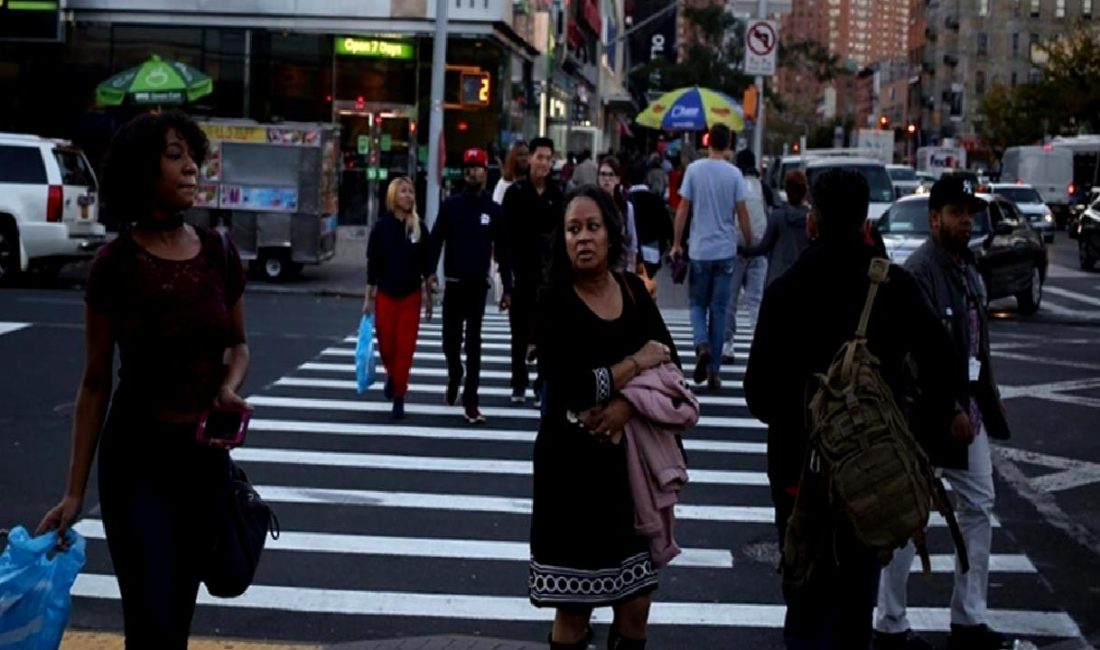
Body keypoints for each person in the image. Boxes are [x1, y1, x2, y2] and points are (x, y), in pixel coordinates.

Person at [36, 110, 251, 647]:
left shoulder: (219, 253)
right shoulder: (116, 265)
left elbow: (239, 344)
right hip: (137, 464)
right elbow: (93, 383)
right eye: (174, 156)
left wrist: (229, 386)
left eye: (192, 156)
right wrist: (73, 493)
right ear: (142, 172)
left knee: (175, 620)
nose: (191, 168)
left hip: (203, 462)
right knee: (150, 618)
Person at [744, 169, 959, 650]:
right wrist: (911, 429)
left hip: (801, 474)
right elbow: (943, 364)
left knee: (805, 603)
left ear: (813, 222)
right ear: (867, 223)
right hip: (872, 472)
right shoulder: (894, 287)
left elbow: (758, 395)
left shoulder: (784, 292)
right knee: (856, 602)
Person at [529, 185, 678, 650]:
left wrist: (626, 403)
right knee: (573, 611)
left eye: (593, 227)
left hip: (628, 474)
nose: (584, 238)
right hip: (569, 475)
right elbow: (571, 385)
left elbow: (667, 358)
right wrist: (634, 364)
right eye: (574, 229)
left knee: (636, 606)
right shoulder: (554, 300)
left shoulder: (634, 291)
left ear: (611, 235)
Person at [873, 176, 1013, 650]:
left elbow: (976, 346)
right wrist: (949, 404)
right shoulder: (918, 272)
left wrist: (981, 399)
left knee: (979, 506)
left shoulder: (968, 268)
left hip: (967, 415)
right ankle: (889, 623)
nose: (965, 221)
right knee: (907, 517)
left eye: (969, 213)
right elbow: (914, 356)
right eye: (956, 213)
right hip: (925, 416)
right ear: (935, 219)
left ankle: (969, 620)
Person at [425, 147, 513, 424]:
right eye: (468, 168)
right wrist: (430, 273)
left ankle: (471, 401)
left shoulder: (494, 210)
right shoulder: (452, 206)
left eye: (477, 168)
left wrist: (507, 289)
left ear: (486, 173)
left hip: (478, 286)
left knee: (474, 344)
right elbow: (436, 239)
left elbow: (503, 251)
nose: (472, 172)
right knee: (450, 341)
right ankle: (455, 374)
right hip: (453, 284)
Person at [669, 123, 753, 389]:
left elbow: (683, 208)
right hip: (726, 250)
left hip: (700, 250)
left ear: (708, 142)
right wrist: (748, 246)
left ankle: (701, 344)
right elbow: (742, 213)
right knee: (719, 309)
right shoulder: (735, 174)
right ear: (728, 143)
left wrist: (676, 243)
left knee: (696, 304)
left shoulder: (694, 170)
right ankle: (714, 370)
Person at [363, 176, 432, 420]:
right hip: (386, 294)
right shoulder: (381, 227)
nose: (408, 196)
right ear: (393, 196)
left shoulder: (418, 227)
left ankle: (400, 395)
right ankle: (392, 376)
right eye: (403, 191)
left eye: (411, 192)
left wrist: (430, 292)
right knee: (387, 346)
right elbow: (373, 263)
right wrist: (367, 297)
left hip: (411, 295)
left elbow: (427, 262)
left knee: (405, 348)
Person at [502, 136, 563, 406]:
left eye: (548, 159)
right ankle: (518, 382)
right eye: (540, 157)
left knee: (548, 332)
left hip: (549, 275)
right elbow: (504, 238)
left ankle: (542, 385)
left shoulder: (557, 195)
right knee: (519, 330)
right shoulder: (515, 193)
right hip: (520, 272)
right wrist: (506, 274)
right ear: (530, 160)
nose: (544, 164)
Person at [721, 149, 771, 362]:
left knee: (730, 299)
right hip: (759, 251)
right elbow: (771, 214)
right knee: (756, 301)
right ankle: (758, 343)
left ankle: (727, 344)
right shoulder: (764, 188)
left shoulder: (734, 186)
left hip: (736, 250)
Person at [738, 170, 811, 288]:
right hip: (803, 277)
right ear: (805, 191)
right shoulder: (810, 218)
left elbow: (763, 247)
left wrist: (744, 250)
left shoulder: (778, 216)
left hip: (778, 276)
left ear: (787, 190)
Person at [624, 162, 673, 295]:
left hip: (632, 254)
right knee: (648, 286)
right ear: (646, 178)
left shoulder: (626, 200)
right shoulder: (656, 200)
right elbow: (667, 226)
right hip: (652, 251)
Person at [597, 156, 639, 274]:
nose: (606, 179)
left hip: (619, 268)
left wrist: (631, 270)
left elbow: (632, 243)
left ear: (617, 179)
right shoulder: (591, 204)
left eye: (611, 175)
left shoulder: (626, 208)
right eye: (603, 174)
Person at [493, 139, 530, 205]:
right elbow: (496, 208)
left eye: (526, 154)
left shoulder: (532, 181)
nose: (524, 158)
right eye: (520, 155)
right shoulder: (503, 183)